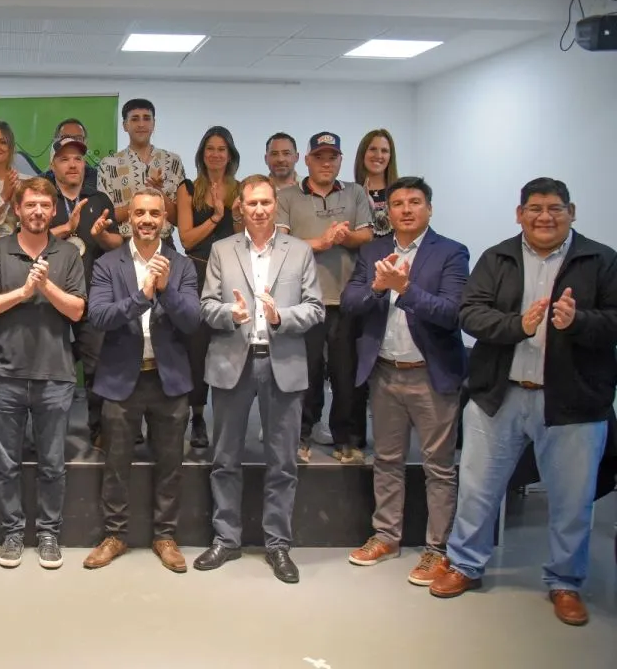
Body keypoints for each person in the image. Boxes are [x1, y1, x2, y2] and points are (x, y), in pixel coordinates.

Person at [431, 178, 617, 627]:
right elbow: (470, 313)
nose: (544, 217)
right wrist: (519, 325)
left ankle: (565, 582)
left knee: (573, 501)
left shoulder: (601, 260)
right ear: (520, 214)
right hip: (500, 395)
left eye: (555, 208)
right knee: (477, 490)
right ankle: (465, 564)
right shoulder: (497, 258)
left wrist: (577, 322)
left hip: (573, 403)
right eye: (535, 208)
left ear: (572, 212)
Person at [194, 175, 324, 583]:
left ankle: (278, 544)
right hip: (233, 362)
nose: (260, 209)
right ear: (241, 208)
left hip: (282, 363)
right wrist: (229, 314)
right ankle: (226, 539)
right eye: (252, 203)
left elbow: (316, 307)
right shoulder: (222, 250)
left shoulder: (299, 251)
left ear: (275, 204)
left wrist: (281, 316)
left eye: (266, 202)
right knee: (224, 459)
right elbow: (206, 306)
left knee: (282, 462)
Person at [341, 177, 468, 586]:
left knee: (439, 467)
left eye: (415, 202)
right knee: (387, 460)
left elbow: (452, 313)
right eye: (398, 203)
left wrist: (405, 289)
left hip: (431, 374)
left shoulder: (451, 252)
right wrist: (379, 288)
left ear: (429, 208)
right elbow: (350, 302)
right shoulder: (374, 250)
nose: (407, 210)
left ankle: (437, 549)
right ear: (388, 212)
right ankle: (386, 536)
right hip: (384, 371)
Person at [82, 187, 200, 573]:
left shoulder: (181, 266)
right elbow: (99, 316)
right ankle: (115, 535)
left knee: (170, 464)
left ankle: (165, 536)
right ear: (128, 219)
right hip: (120, 379)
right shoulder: (107, 263)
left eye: (154, 213)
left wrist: (165, 291)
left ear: (165, 220)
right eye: (139, 213)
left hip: (169, 380)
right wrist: (142, 296)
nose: (147, 220)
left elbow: (192, 321)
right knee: (116, 464)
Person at [0, 177, 86, 570]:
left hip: (55, 375)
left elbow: (77, 310)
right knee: (6, 464)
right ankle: (12, 533)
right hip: (4, 374)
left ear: (53, 210)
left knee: (52, 464)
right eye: (30, 205)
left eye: (44, 205)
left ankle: (49, 534)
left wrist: (45, 286)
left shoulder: (68, 254)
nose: (38, 211)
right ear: (18, 210)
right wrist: (23, 293)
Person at [276, 132, 373, 463]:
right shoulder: (288, 196)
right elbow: (280, 244)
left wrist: (346, 237)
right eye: (319, 157)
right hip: (304, 301)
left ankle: (347, 439)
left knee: (347, 375)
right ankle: (301, 435)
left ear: (341, 161)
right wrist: (322, 242)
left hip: (347, 300)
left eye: (332, 157)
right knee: (307, 373)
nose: (326, 163)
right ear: (307, 160)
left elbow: (368, 235)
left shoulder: (355, 192)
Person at [47, 136, 123, 447]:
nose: (72, 164)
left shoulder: (100, 200)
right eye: (64, 159)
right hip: (51, 300)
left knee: (98, 368)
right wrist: (66, 229)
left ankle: (99, 430)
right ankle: (49, 436)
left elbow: (117, 245)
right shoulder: (44, 199)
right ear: (53, 166)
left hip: (93, 298)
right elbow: (27, 241)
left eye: (77, 158)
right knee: (51, 372)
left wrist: (102, 236)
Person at [176, 126, 242, 449]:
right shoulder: (188, 188)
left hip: (232, 275)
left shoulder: (240, 190)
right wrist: (215, 217)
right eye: (210, 148)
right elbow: (187, 239)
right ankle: (198, 416)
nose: (215, 154)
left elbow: (244, 237)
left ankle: (230, 417)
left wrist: (235, 215)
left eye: (221, 149)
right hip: (198, 272)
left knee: (230, 344)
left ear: (230, 155)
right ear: (202, 154)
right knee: (197, 347)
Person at [98, 99, 185, 239]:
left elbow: (180, 220)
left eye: (146, 118)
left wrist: (160, 194)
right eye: (134, 119)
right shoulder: (109, 164)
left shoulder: (172, 162)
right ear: (125, 125)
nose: (141, 124)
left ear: (153, 124)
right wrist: (139, 202)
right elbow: (105, 217)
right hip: (124, 242)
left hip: (162, 242)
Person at [352, 129, 399, 238]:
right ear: (363, 153)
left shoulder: (401, 192)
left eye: (384, 151)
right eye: (373, 149)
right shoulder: (352, 194)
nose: (378, 155)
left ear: (390, 156)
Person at [40, 118, 99, 194]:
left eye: (78, 138)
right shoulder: (41, 183)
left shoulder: (99, 180)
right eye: (65, 137)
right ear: (55, 142)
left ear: (85, 143)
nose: (71, 142)